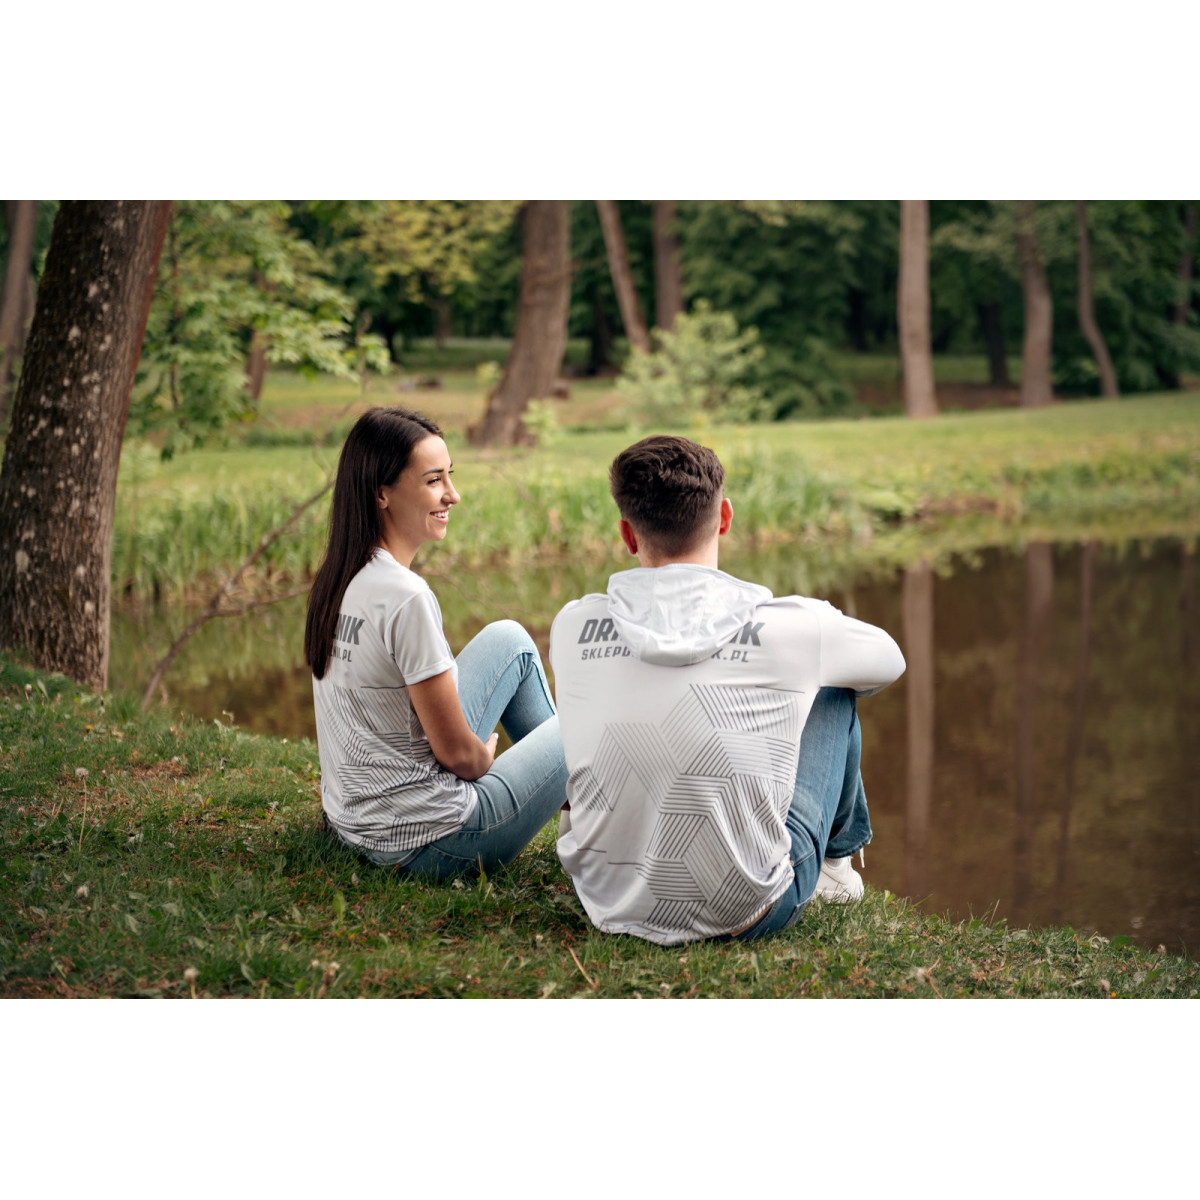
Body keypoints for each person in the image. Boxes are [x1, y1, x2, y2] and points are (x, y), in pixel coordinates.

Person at [549, 435, 906, 945]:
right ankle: (833, 868)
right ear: (724, 517)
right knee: (833, 691)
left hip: (607, 901)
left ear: (627, 534)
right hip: (750, 911)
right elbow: (890, 662)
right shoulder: (796, 626)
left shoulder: (573, 624)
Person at [304, 406, 567, 880]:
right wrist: (483, 756)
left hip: (356, 820)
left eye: (450, 476)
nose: (453, 495)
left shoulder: (342, 575)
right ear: (381, 492)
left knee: (510, 639)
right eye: (433, 480)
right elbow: (461, 758)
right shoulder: (405, 597)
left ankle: (580, 808)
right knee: (585, 726)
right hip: (432, 842)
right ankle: (602, 825)